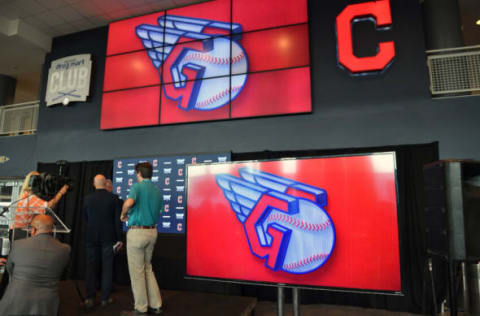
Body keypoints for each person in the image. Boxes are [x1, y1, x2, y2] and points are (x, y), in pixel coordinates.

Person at [0, 215, 71, 316]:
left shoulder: (18, 244)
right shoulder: (65, 249)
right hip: (46, 304)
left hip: (15, 300)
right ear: (51, 230)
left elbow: (9, 269)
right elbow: (63, 275)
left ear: (34, 229)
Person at [120, 162, 163, 315]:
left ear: (138, 173)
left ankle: (140, 308)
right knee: (147, 268)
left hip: (137, 233)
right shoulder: (157, 190)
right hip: (152, 232)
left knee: (137, 272)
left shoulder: (137, 187)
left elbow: (129, 202)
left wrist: (123, 214)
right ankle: (156, 305)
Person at [83, 174, 123, 308]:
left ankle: (89, 298)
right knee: (107, 268)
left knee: (90, 267)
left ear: (94, 184)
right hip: (108, 238)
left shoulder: (87, 199)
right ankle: (105, 299)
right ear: (105, 184)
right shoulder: (114, 199)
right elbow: (117, 222)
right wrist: (119, 239)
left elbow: (85, 219)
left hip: (91, 237)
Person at [12, 171, 69, 237]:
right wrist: (61, 192)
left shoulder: (25, 194)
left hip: (18, 231)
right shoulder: (31, 197)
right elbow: (48, 207)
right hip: (22, 232)